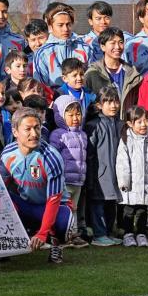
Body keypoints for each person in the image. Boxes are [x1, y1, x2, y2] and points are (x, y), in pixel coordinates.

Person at [0, 107, 74, 264]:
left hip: (53, 206)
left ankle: (56, 244)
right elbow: (0, 189)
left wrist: (43, 232)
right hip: (26, 204)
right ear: (15, 132)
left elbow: (53, 199)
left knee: (65, 224)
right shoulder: (7, 154)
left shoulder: (51, 157)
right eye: (28, 129)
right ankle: (3, 247)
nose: (34, 134)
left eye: (37, 128)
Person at [116, 106, 148, 248]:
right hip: (131, 184)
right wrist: (124, 180)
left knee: (143, 210)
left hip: (146, 183)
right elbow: (122, 162)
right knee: (129, 210)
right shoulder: (126, 139)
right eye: (139, 122)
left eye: (146, 121)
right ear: (130, 123)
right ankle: (128, 233)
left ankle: (141, 233)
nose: (144, 124)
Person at [84, 88, 124, 246]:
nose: (113, 105)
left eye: (115, 101)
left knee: (111, 204)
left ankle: (108, 231)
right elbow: (89, 154)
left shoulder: (119, 124)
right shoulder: (94, 125)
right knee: (98, 204)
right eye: (108, 102)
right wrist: (91, 176)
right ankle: (99, 234)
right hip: (99, 174)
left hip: (115, 173)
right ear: (99, 105)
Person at [49, 95, 89, 248]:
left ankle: (73, 234)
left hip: (78, 180)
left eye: (78, 114)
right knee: (62, 208)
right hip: (64, 180)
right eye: (70, 115)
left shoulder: (82, 134)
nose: (75, 118)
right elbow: (54, 156)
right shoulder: (58, 135)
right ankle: (59, 237)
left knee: (75, 208)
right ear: (60, 115)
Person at [84, 27, 142, 117]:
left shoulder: (132, 74)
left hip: (125, 126)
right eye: (113, 43)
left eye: (121, 42)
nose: (117, 47)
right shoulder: (92, 74)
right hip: (102, 127)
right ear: (103, 47)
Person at [32, 2, 91, 88]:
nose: (65, 29)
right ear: (50, 26)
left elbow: (90, 80)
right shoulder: (42, 53)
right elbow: (40, 86)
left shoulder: (85, 48)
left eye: (68, 24)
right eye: (60, 25)